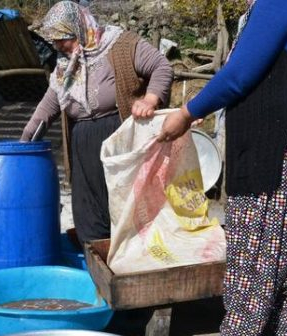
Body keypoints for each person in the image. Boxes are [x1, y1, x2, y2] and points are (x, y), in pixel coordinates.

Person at [158, 0, 287, 336]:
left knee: (257, 249)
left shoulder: (282, 2)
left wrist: (187, 112)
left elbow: (238, 75)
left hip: (276, 152)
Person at [21, 0, 173, 245]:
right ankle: (98, 271)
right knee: (88, 211)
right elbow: (50, 103)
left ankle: (130, 268)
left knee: (125, 206)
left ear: (80, 29)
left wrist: (150, 99)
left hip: (119, 137)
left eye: (64, 39)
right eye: (55, 40)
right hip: (82, 143)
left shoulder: (121, 45)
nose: (58, 45)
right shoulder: (63, 66)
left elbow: (161, 67)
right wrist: (26, 137)